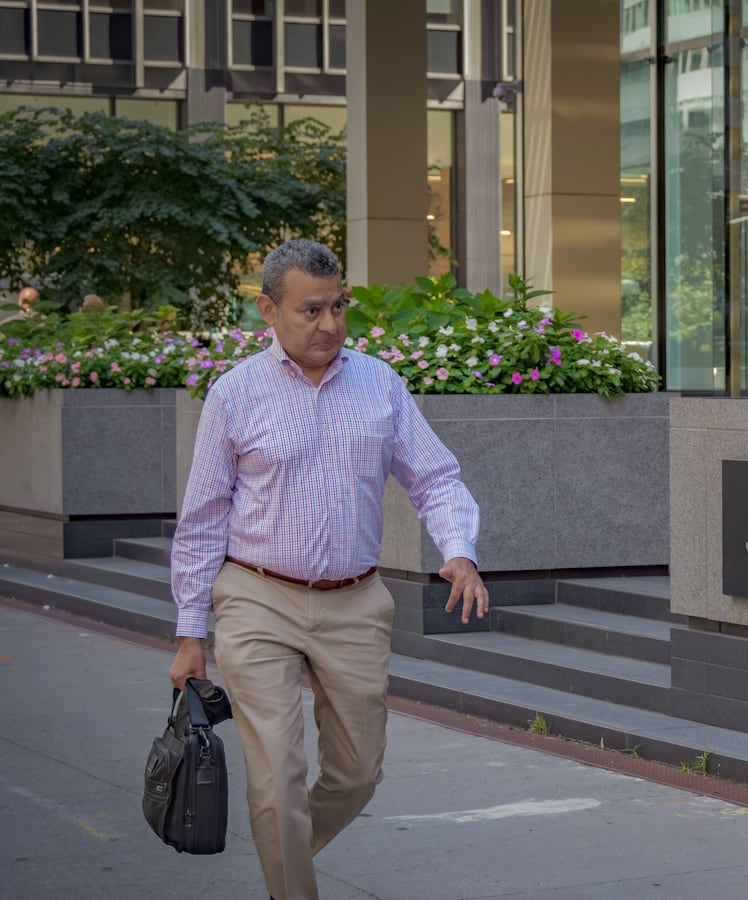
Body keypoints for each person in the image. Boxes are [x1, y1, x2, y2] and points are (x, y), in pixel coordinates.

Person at [167, 238, 488, 900]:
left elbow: (435, 477)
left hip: (354, 604)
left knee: (357, 773)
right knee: (276, 778)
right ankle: (289, 873)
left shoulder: (379, 384)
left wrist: (458, 550)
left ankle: (280, 843)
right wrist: (189, 631)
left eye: (338, 306)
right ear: (268, 310)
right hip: (256, 599)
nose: (331, 325)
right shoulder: (234, 395)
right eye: (311, 310)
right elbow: (201, 518)